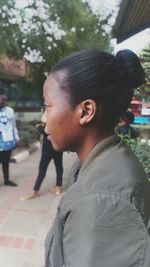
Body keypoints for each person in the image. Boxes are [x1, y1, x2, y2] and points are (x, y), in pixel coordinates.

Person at [43, 49, 150, 267]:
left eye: (48, 107)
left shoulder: (101, 201)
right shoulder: (100, 161)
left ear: (86, 111)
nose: (43, 118)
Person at [21, 117, 63, 200]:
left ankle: (35, 191)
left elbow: (44, 130)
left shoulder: (49, 118)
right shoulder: (60, 119)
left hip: (47, 150)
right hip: (58, 148)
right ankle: (58, 187)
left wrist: (39, 126)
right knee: (59, 167)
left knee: (42, 170)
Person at [0, 90, 19, 186]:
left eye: (4, 99)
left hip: (7, 142)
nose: (3, 101)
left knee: (6, 162)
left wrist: (16, 138)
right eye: (2, 99)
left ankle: (6, 180)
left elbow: (13, 126)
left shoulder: (10, 111)